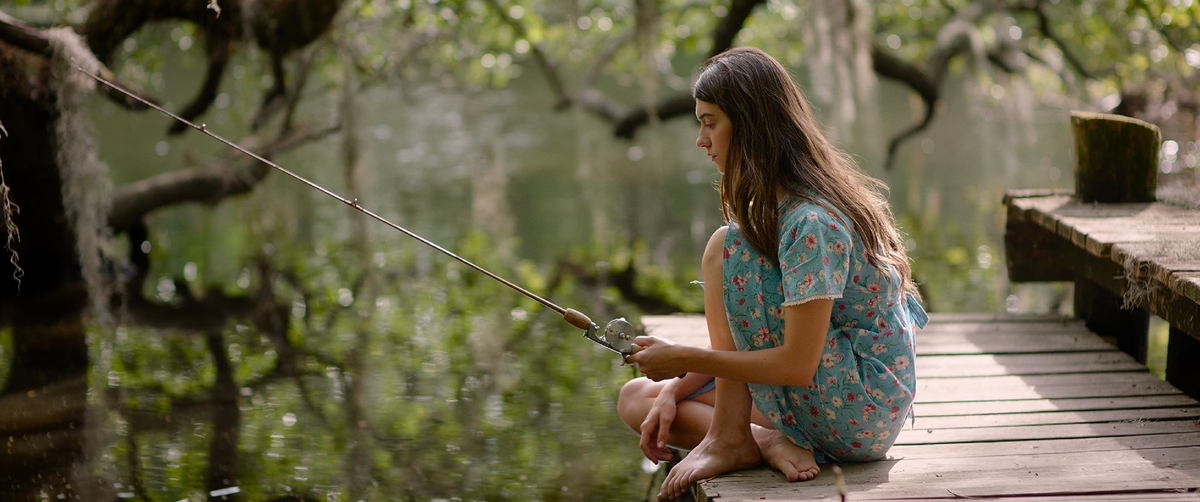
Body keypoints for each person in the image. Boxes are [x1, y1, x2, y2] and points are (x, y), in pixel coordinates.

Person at [617, 47, 928, 501]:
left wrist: (687, 358)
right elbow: (765, 341)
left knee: (724, 247)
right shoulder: (780, 211)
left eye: (710, 123)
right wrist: (679, 382)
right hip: (831, 397)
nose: (701, 140)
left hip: (860, 411)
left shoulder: (811, 223)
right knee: (639, 398)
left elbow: (797, 364)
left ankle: (730, 437)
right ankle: (758, 440)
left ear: (749, 125)